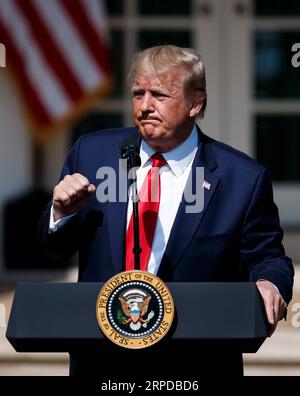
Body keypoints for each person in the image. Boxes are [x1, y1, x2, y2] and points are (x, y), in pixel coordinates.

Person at [38, 45, 294, 376]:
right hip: (103, 360)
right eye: (137, 94)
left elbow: (267, 256)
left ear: (195, 103)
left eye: (159, 95)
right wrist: (60, 214)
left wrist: (269, 284)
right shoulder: (92, 154)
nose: (144, 106)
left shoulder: (241, 178)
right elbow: (53, 249)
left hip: (194, 362)